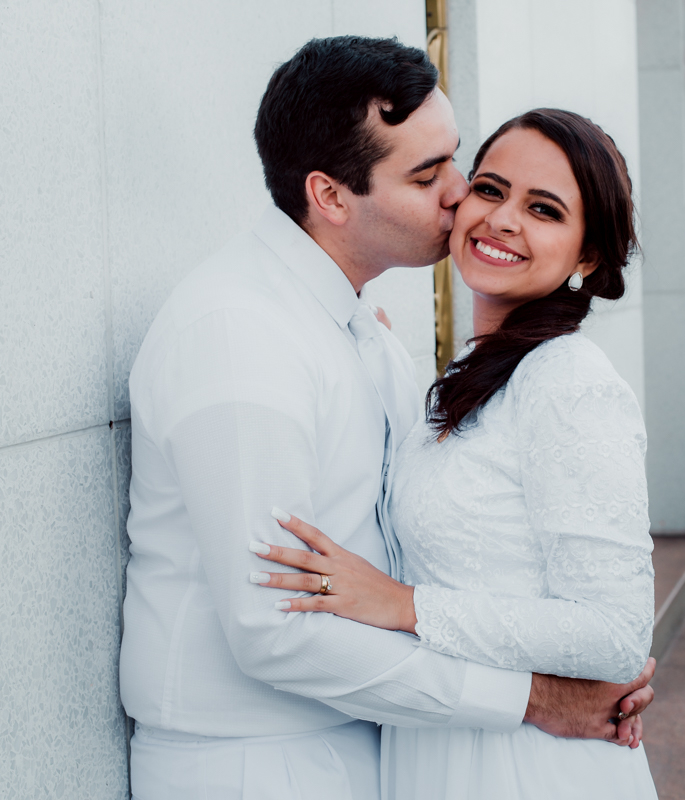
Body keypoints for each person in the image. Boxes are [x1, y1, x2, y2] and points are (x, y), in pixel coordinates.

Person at [119, 37, 653, 800]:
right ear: (332, 197)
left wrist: (572, 661)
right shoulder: (242, 337)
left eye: (456, 161)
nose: (461, 195)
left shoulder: (365, 334)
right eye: (429, 175)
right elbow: (274, 629)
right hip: (258, 765)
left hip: (396, 744)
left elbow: (581, 612)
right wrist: (535, 696)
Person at [252, 108, 659, 798]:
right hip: (444, 740)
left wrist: (404, 605)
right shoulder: (474, 374)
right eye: (491, 189)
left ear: (588, 256)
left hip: (526, 766)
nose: (503, 220)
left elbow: (614, 633)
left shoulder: (569, 381)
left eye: (544, 210)